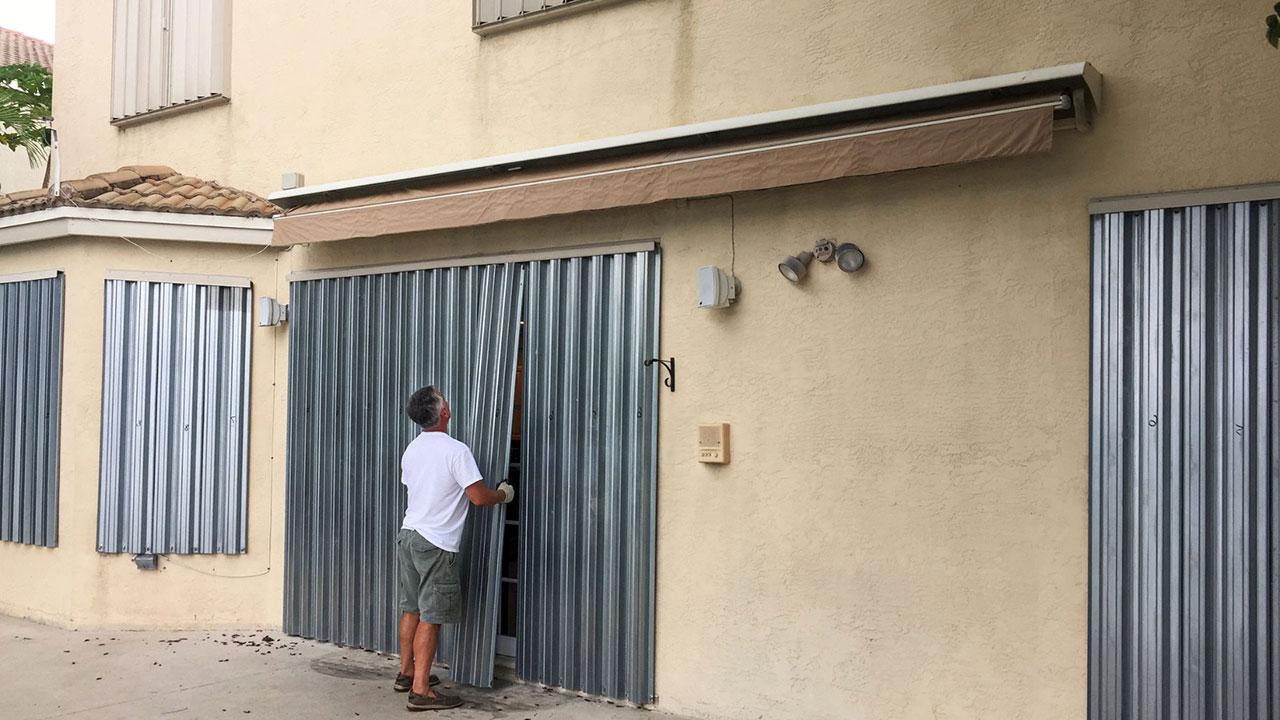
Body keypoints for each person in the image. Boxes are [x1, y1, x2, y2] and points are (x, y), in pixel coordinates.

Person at [394, 386, 514, 712]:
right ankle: (420, 691)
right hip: (436, 543)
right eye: (444, 398)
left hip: (409, 535)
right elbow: (478, 498)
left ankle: (406, 673)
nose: (448, 400)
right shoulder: (455, 450)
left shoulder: (412, 449)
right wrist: (503, 494)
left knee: (412, 609)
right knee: (431, 617)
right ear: (443, 413)